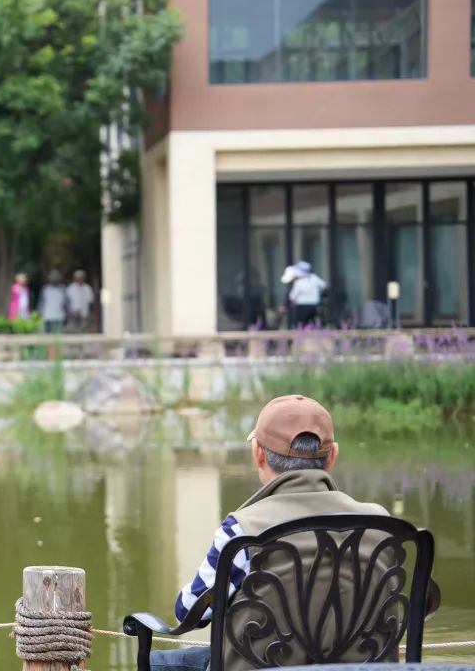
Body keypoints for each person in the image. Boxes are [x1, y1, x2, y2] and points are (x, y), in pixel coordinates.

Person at [151, 395, 400, 671]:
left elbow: (188, 612)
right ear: (332, 456)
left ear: (258, 453)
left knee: (160, 662)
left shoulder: (242, 530)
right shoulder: (381, 523)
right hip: (366, 667)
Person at [288, 260, 327, 327]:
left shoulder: (299, 282)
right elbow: (324, 286)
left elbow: (292, 296)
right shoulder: (315, 278)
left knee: (302, 325)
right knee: (314, 324)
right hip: (314, 305)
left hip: (302, 306)